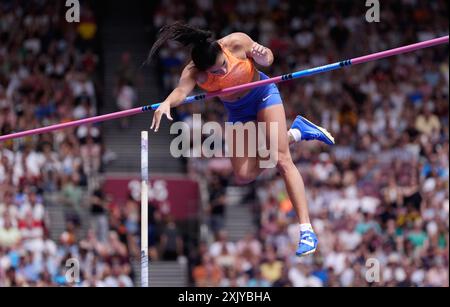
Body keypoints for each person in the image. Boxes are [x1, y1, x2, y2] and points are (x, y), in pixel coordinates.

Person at [147, 22, 335, 257]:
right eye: (215, 73)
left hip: (263, 93)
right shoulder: (193, 71)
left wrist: (263, 55)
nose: (222, 73)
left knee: (282, 160)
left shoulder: (236, 42)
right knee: (244, 175)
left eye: (223, 66)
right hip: (237, 111)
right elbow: (181, 92)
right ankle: (297, 132)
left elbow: (268, 60)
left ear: (222, 51)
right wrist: (166, 102)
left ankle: (306, 230)